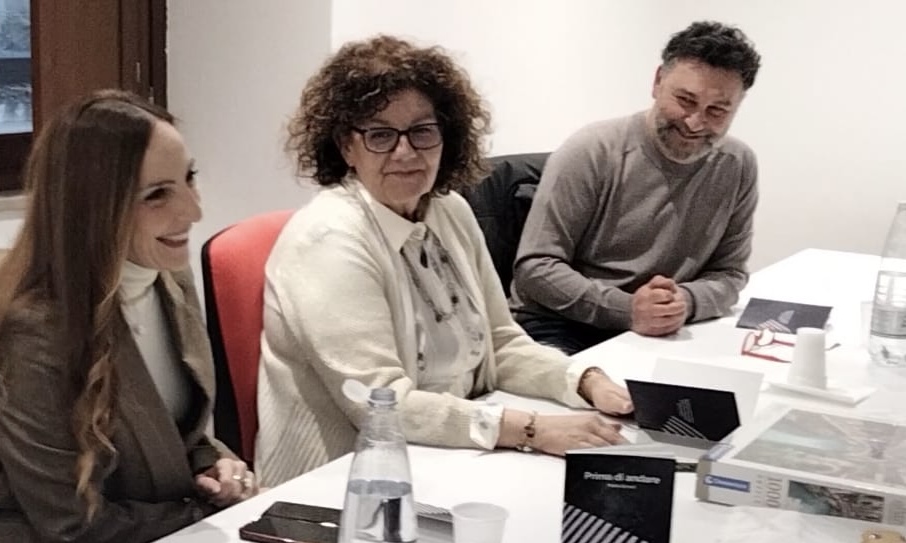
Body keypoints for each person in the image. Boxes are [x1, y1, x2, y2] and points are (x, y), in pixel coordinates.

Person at [255, 35, 632, 488]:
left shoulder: (450, 209)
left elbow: (500, 343)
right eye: (380, 135)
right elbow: (381, 403)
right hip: (342, 483)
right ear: (346, 146)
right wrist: (531, 429)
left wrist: (584, 380)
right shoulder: (328, 240)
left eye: (422, 131)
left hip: (448, 456)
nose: (405, 152)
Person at [0, 90, 255, 543]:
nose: (194, 210)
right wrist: (202, 513)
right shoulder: (33, 332)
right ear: (92, 208)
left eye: (189, 178)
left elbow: (173, 431)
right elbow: (70, 528)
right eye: (157, 195)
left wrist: (215, 465)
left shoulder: (167, 278)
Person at [511, 21, 762, 354]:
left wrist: (685, 301)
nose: (695, 122)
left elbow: (730, 272)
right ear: (657, 82)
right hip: (562, 323)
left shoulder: (737, 164)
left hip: (663, 328)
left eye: (717, 110)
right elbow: (535, 269)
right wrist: (628, 309)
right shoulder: (591, 150)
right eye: (685, 100)